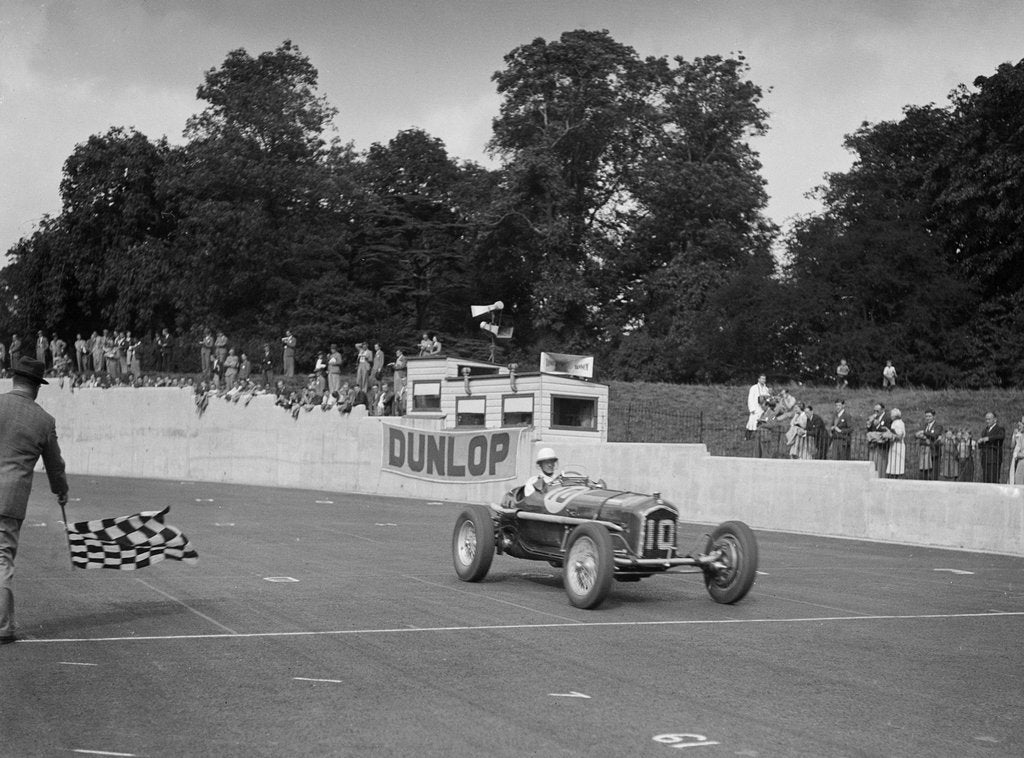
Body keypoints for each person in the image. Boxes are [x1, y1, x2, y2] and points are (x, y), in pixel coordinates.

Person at [0, 357, 69, 644]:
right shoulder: (43, 420)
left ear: (14, 379)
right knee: (2, 560)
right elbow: (55, 466)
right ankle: (3, 628)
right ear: (37, 387)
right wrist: (60, 490)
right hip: (10, 499)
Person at [915, 410, 943, 481]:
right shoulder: (924, 426)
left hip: (934, 453)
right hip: (923, 453)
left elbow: (935, 435)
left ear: (934, 416)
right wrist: (923, 436)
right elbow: (916, 435)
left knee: (933, 474)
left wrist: (924, 432)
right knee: (923, 474)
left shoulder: (938, 426)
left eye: (929, 416)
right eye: (926, 416)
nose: (927, 418)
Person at [978, 412, 1006, 484]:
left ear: (995, 420)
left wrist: (988, 438)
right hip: (985, 459)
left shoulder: (999, 429)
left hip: (994, 459)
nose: (987, 421)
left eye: (989, 419)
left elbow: (1001, 436)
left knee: (993, 480)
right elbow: (981, 446)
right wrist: (980, 442)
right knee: (985, 480)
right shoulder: (984, 430)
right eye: (986, 419)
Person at [866, 402, 890, 477]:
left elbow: (887, 431)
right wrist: (869, 424)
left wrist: (878, 425)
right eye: (874, 411)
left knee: (880, 467)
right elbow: (869, 430)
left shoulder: (887, 418)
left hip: (882, 446)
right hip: (873, 445)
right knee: (872, 465)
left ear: (883, 410)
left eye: (877, 411)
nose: (875, 412)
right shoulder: (874, 417)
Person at [745, 374, 770, 438]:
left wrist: (767, 407)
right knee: (752, 422)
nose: (763, 380)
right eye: (762, 379)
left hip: (763, 408)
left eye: (764, 379)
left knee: (761, 422)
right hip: (755, 408)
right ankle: (747, 437)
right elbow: (750, 399)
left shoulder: (766, 389)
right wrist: (752, 409)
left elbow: (768, 398)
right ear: (758, 379)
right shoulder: (753, 388)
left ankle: (758, 436)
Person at [884, 408, 907, 478]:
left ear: (895, 416)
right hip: (894, 445)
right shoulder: (896, 422)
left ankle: (896, 477)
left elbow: (899, 436)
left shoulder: (898, 423)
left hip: (898, 445)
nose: (890, 416)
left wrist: (890, 434)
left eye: (891, 415)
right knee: (893, 464)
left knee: (897, 464)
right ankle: (893, 476)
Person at [1008, 416, 1024, 485]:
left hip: (1021, 460)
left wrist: (1017, 454)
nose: (1019, 427)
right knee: (1016, 478)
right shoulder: (1020, 435)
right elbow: (1012, 446)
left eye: (1021, 425)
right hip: (1017, 460)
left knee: (1019, 479)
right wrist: (1014, 436)